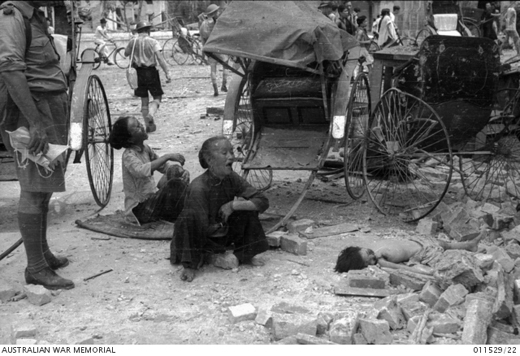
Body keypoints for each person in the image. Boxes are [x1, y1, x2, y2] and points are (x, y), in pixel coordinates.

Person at [0, 0, 73, 290]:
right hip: (31, 113)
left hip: (48, 108)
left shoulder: (34, 17)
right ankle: (36, 268)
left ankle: (42, 254)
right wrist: (34, 122)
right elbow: (10, 71)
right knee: (32, 189)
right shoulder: (11, 17)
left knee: (42, 189)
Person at [171, 136, 270, 282]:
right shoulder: (199, 187)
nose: (231, 157)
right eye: (224, 153)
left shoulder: (231, 178)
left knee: (245, 209)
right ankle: (198, 260)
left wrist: (233, 205)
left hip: (219, 231)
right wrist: (190, 265)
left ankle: (241, 255)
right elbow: (197, 227)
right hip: (202, 236)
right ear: (210, 160)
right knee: (189, 219)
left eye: (231, 152)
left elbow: (262, 201)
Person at [108, 116, 189, 224]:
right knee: (175, 184)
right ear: (130, 139)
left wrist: (180, 172)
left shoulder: (146, 148)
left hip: (151, 201)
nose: (141, 126)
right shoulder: (128, 156)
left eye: (139, 123)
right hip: (139, 209)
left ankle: (176, 211)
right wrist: (167, 156)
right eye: (137, 127)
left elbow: (163, 167)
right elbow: (141, 171)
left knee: (176, 174)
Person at [335, 234, 483, 275]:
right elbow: (402, 269)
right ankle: (472, 255)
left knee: (444, 243)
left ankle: (468, 245)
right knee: (443, 249)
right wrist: (427, 273)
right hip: (422, 252)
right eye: (370, 261)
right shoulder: (381, 260)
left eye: (369, 253)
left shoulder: (372, 246)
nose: (374, 257)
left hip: (417, 240)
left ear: (359, 247)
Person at [124, 21, 171, 133]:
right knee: (157, 97)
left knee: (144, 99)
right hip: (151, 72)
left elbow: (126, 53)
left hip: (138, 73)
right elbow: (159, 58)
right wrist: (167, 72)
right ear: (148, 30)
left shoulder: (133, 41)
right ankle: (151, 113)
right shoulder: (153, 41)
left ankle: (148, 126)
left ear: (138, 31)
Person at [199, 4, 228, 97]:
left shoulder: (203, 24)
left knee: (213, 69)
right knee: (225, 65)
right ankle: (224, 85)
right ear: (215, 12)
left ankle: (215, 89)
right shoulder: (218, 23)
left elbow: (202, 39)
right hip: (220, 48)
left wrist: (205, 50)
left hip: (209, 49)